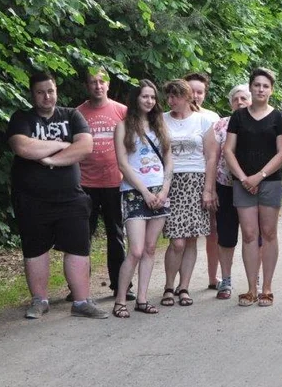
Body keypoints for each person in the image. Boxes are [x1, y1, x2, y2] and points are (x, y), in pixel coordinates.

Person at [6, 72, 107, 319]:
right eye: (40, 92)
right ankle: (39, 301)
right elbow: (23, 147)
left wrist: (50, 159)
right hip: (31, 198)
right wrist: (64, 144)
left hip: (71, 197)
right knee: (35, 250)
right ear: (32, 94)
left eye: (50, 91)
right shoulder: (22, 118)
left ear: (56, 91)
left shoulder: (72, 115)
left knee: (78, 248)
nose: (46, 96)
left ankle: (82, 301)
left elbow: (85, 146)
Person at [223, 68, 282, 307]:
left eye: (265, 86)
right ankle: (251, 289)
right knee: (250, 235)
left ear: (271, 90)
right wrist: (243, 178)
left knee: (269, 234)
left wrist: (259, 176)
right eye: (257, 85)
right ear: (250, 88)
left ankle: (267, 289)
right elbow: (228, 150)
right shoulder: (238, 117)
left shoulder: (277, 117)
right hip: (243, 183)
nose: (261, 89)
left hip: (269, 182)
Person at [111, 80, 173, 318]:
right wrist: (145, 193)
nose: (149, 101)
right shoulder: (123, 126)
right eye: (145, 96)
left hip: (160, 190)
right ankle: (120, 300)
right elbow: (123, 164)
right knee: (135, 250)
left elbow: (168, 158)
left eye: (152, 97)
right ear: (136, 98)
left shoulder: (160, 125)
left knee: (150, 248)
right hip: (134, 191)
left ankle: (143, 299)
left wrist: (165, 188)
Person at [75, 68, 132, 301]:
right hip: (85, 183)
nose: (98, 86)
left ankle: (121, 285)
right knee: (81, 237)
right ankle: (78, 288)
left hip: (115, 183)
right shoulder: (77, 113)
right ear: (87, 86)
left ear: (108, 84)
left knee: (116, 235)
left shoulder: (122, 111)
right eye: (92, 82)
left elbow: (134, 143)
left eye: (101, 81)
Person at [160, 79, 218, 307]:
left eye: (175, 96)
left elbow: (212, 156)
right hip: (171, 181)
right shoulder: (162, 120)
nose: (171, 101)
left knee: (192, 239)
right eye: (169, 97)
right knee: (177, 241)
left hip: (196, 180)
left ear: (186, 97)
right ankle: (168, 285)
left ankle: (184, 287)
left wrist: (208, 189)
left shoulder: (203, 121)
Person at [207, 83, 252, 301]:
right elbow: (211, 159)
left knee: (253, 235)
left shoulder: (261, 121)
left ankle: (255, 280)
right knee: (226, 235)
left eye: (244, 98)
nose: (240, 102)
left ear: (251, 100)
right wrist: (210, 190)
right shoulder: (220, 126)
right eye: (236, 99)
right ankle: (226, 280)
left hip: (253, 187)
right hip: (225, 186)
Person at [185, 72, 223, 292]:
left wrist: (213, 187)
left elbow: (217, 154)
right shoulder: (171, 117)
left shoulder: (212, 117)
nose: (196, 96)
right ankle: (181, 283)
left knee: (213, 230)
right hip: (183, 179)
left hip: (209, 178)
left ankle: (212, 276)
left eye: (200, 92)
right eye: (191, 91)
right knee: (185, 234)